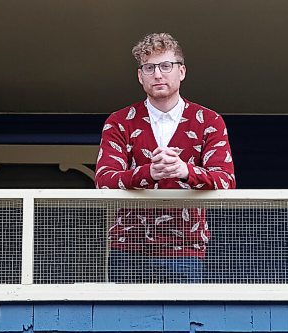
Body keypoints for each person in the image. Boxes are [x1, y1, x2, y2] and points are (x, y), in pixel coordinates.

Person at [95, 32, 235, 283]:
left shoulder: (209, 121)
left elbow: (225, 180)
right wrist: (149, 173)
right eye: (149, 68)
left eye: (166, 66)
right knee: (123, 321)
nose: (158, 74)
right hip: (128, 247)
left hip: (185, 247)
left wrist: (185, 171)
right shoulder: (119, 122)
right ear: (140, 76)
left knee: (183, 321)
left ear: (181, 71)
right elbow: (104, 179)